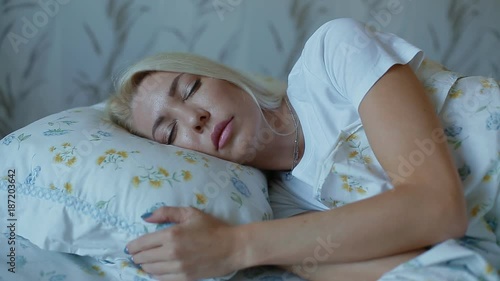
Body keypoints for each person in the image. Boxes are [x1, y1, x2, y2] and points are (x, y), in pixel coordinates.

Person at [107, 18, 500, 281]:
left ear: (222, 77)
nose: (194, 118)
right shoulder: (281, 213)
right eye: (170, 132)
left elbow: (437, 208)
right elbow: (436, 271)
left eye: (191, 89)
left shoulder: (331, 55)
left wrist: (235, 247)